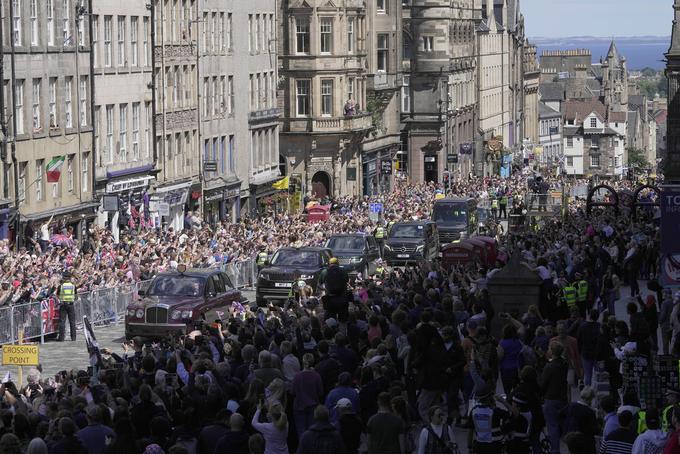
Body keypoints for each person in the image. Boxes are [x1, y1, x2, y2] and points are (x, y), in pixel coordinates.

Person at [467, 382, 514, 454]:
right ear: (490, 397)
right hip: (495, 446)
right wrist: (503, 401)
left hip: (480, 446)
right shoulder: (495, 411)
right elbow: (513, 413)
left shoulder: (473, 411)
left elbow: (470, 431)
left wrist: (469, 447)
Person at [540, 342, 569, 454]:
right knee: (561, 422)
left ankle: (555, 450)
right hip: (562, 397)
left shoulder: (549, 367)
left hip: (551, 398)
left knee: (552, 425)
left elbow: (543, 384)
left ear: (552, 351)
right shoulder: (564, 364)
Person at [58, 271, 77, 342]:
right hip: (71, 304)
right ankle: (73, 338)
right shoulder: (73, 286)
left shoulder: (61, 286)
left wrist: (61, 299)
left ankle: (61, 338)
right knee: (72, 321)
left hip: (63, 304)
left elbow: (57, 295)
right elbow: (75, 295)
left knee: (62, 321)